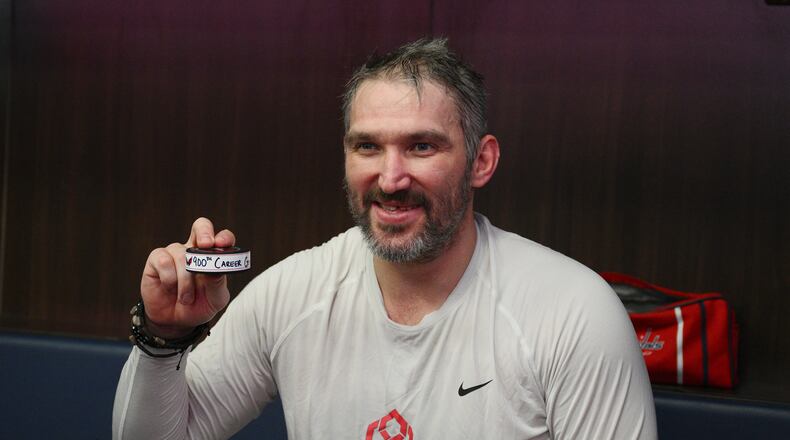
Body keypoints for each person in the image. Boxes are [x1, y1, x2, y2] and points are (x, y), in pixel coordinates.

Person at [113, 38, 657, 439]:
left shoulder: (572, 313)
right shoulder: (297, 294)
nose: (391, 178)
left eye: (422, 146)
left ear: (481, 161)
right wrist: (163, 335)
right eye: (368, 147)